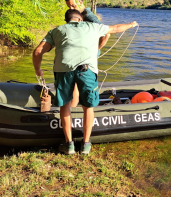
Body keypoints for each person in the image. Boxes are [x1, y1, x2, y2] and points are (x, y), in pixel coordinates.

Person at [33, 9, 138, 155]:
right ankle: (86, 145)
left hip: (63, 71)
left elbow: (38, 51)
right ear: (80, 19)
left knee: (65, 105)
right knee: (88, 106)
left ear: (67, 20)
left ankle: (69, 145)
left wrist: (38, 70)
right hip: (87, 71)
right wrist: (131, 25)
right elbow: (115, 29)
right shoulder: (92, 27)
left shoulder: (56, 30)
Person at [65, 0, 110, 107]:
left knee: (75, 83)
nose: (71, 9)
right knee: (76, 82)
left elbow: (106, 34)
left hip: (87, 57)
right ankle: (74, 107)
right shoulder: (78, 16)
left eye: (73, 6)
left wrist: (96, 49)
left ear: (80, 2)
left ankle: (73, 110)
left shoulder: (89, 16)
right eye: (68, 7)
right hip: (80, 54)